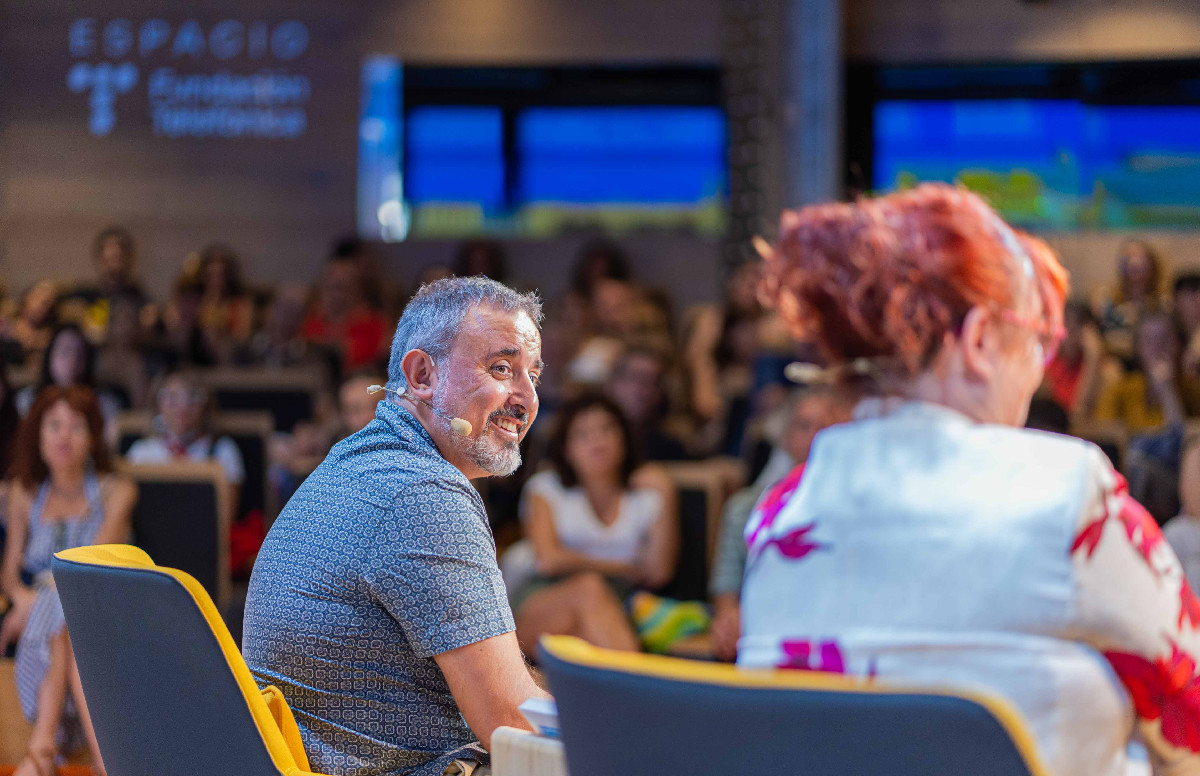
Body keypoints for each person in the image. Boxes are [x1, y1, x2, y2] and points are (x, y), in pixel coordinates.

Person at [741, 182, 1200, 776]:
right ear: (980, 340)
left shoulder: (779, 515)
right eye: (1038, 344)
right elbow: (1192, 716)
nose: (1037, 373)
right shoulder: (1067, 495)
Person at [244, 277, 548, 776]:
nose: (527, 399)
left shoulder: (355, 464)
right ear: (422, 374)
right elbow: (510, 720)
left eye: (532, 376)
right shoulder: (423, 494)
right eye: (502, 368)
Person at [1, 386, 137, 776]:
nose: (64, 436)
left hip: (103, 605)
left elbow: (89, 567)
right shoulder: (24, 492)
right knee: (63, 620)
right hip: (53, 618)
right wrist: (23, 599)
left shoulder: (117, 491)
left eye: (76, 426)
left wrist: (38, 600)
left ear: (93, 437)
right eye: (54, 425)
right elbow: (9, 572)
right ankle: (104, 762)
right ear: (38, 435)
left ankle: (41, 752)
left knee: (69, 603)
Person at [512, 394, 678, 655]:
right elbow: (549, 560)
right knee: (589, 589)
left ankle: (626, 676)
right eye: (583, 434)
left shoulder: (644, 497)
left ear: (623, 437)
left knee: (588, 637)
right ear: (567, 449)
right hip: (544, 598)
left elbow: (658, 572)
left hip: (618, 605)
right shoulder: (546, 488)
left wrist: (667, 492)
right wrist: (624, 568)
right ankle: (635, 676)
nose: (597, 440)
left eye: (606, 429)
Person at [707, 385, 850, 662]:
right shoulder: (746, 508)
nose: (814, 438)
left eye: (826, 427)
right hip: (765, 639)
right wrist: (729, 618)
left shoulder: (858, 512)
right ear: (785, 437)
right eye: (804, 426)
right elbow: (727, 592)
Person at [125, 370, 245, 518]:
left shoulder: (223, 451)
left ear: (205, 405)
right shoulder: (141, 452)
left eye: (192, 397)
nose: (183, 407)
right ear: (158, 404)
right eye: (172, 398)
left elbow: (226, 517)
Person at [1094, 309, 1200, 434]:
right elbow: (1103, 435)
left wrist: (1167, 391)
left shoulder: (1194, 391)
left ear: (1180, 345)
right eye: (1148, 341)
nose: (1157, 348)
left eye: (1165, 339)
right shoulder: (1119, 389)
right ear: (1137, 348)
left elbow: (1181, 439)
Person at [16, 325, 123, 436]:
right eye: (65, 352)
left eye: (79, 353)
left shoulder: (104, 404)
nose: (72, 360)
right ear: (50, 355)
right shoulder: (25, 401)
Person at [301, 253, 391, 373]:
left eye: (342, 288)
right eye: (330, 287)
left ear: (357, 291)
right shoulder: (310, 321)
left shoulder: (373, 325)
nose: (335, 295)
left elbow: (361, 361)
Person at [1096, 238, 1164, 366]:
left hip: (1151, 365)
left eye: (1141, 259)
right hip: (1116, 366)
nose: (1134, 264)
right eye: (1128, 259)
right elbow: (1099, 341)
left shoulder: (1162, 306)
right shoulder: (1108, 304)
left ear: (1152, 267)